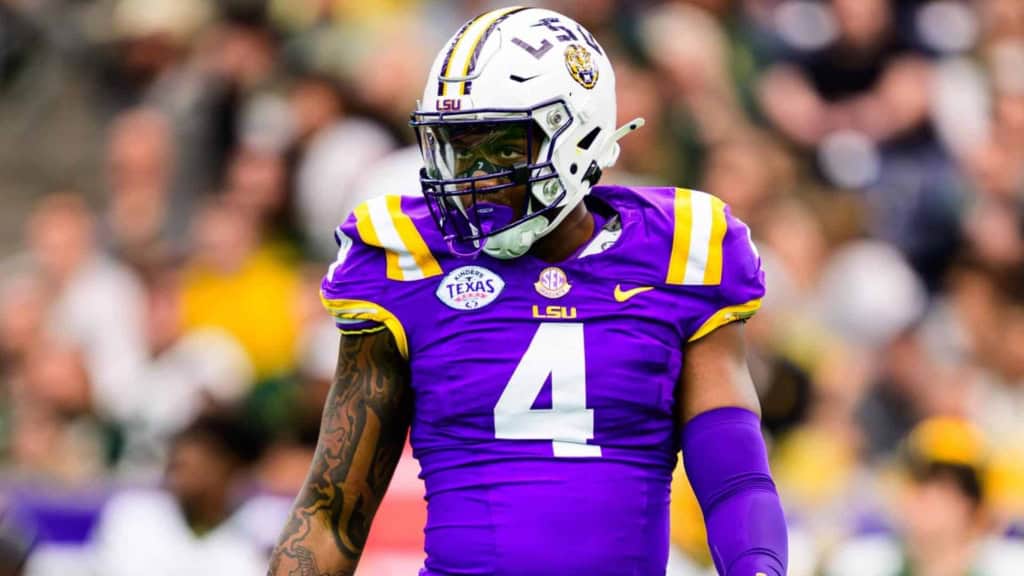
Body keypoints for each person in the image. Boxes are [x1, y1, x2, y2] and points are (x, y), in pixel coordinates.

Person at [268, 7, 787, 576]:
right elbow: (332, 512)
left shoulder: (680, 252)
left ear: (580, 136)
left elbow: (734, 480)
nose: (476, 176)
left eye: (504, 150)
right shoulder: (406, 260)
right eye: (461, 150)